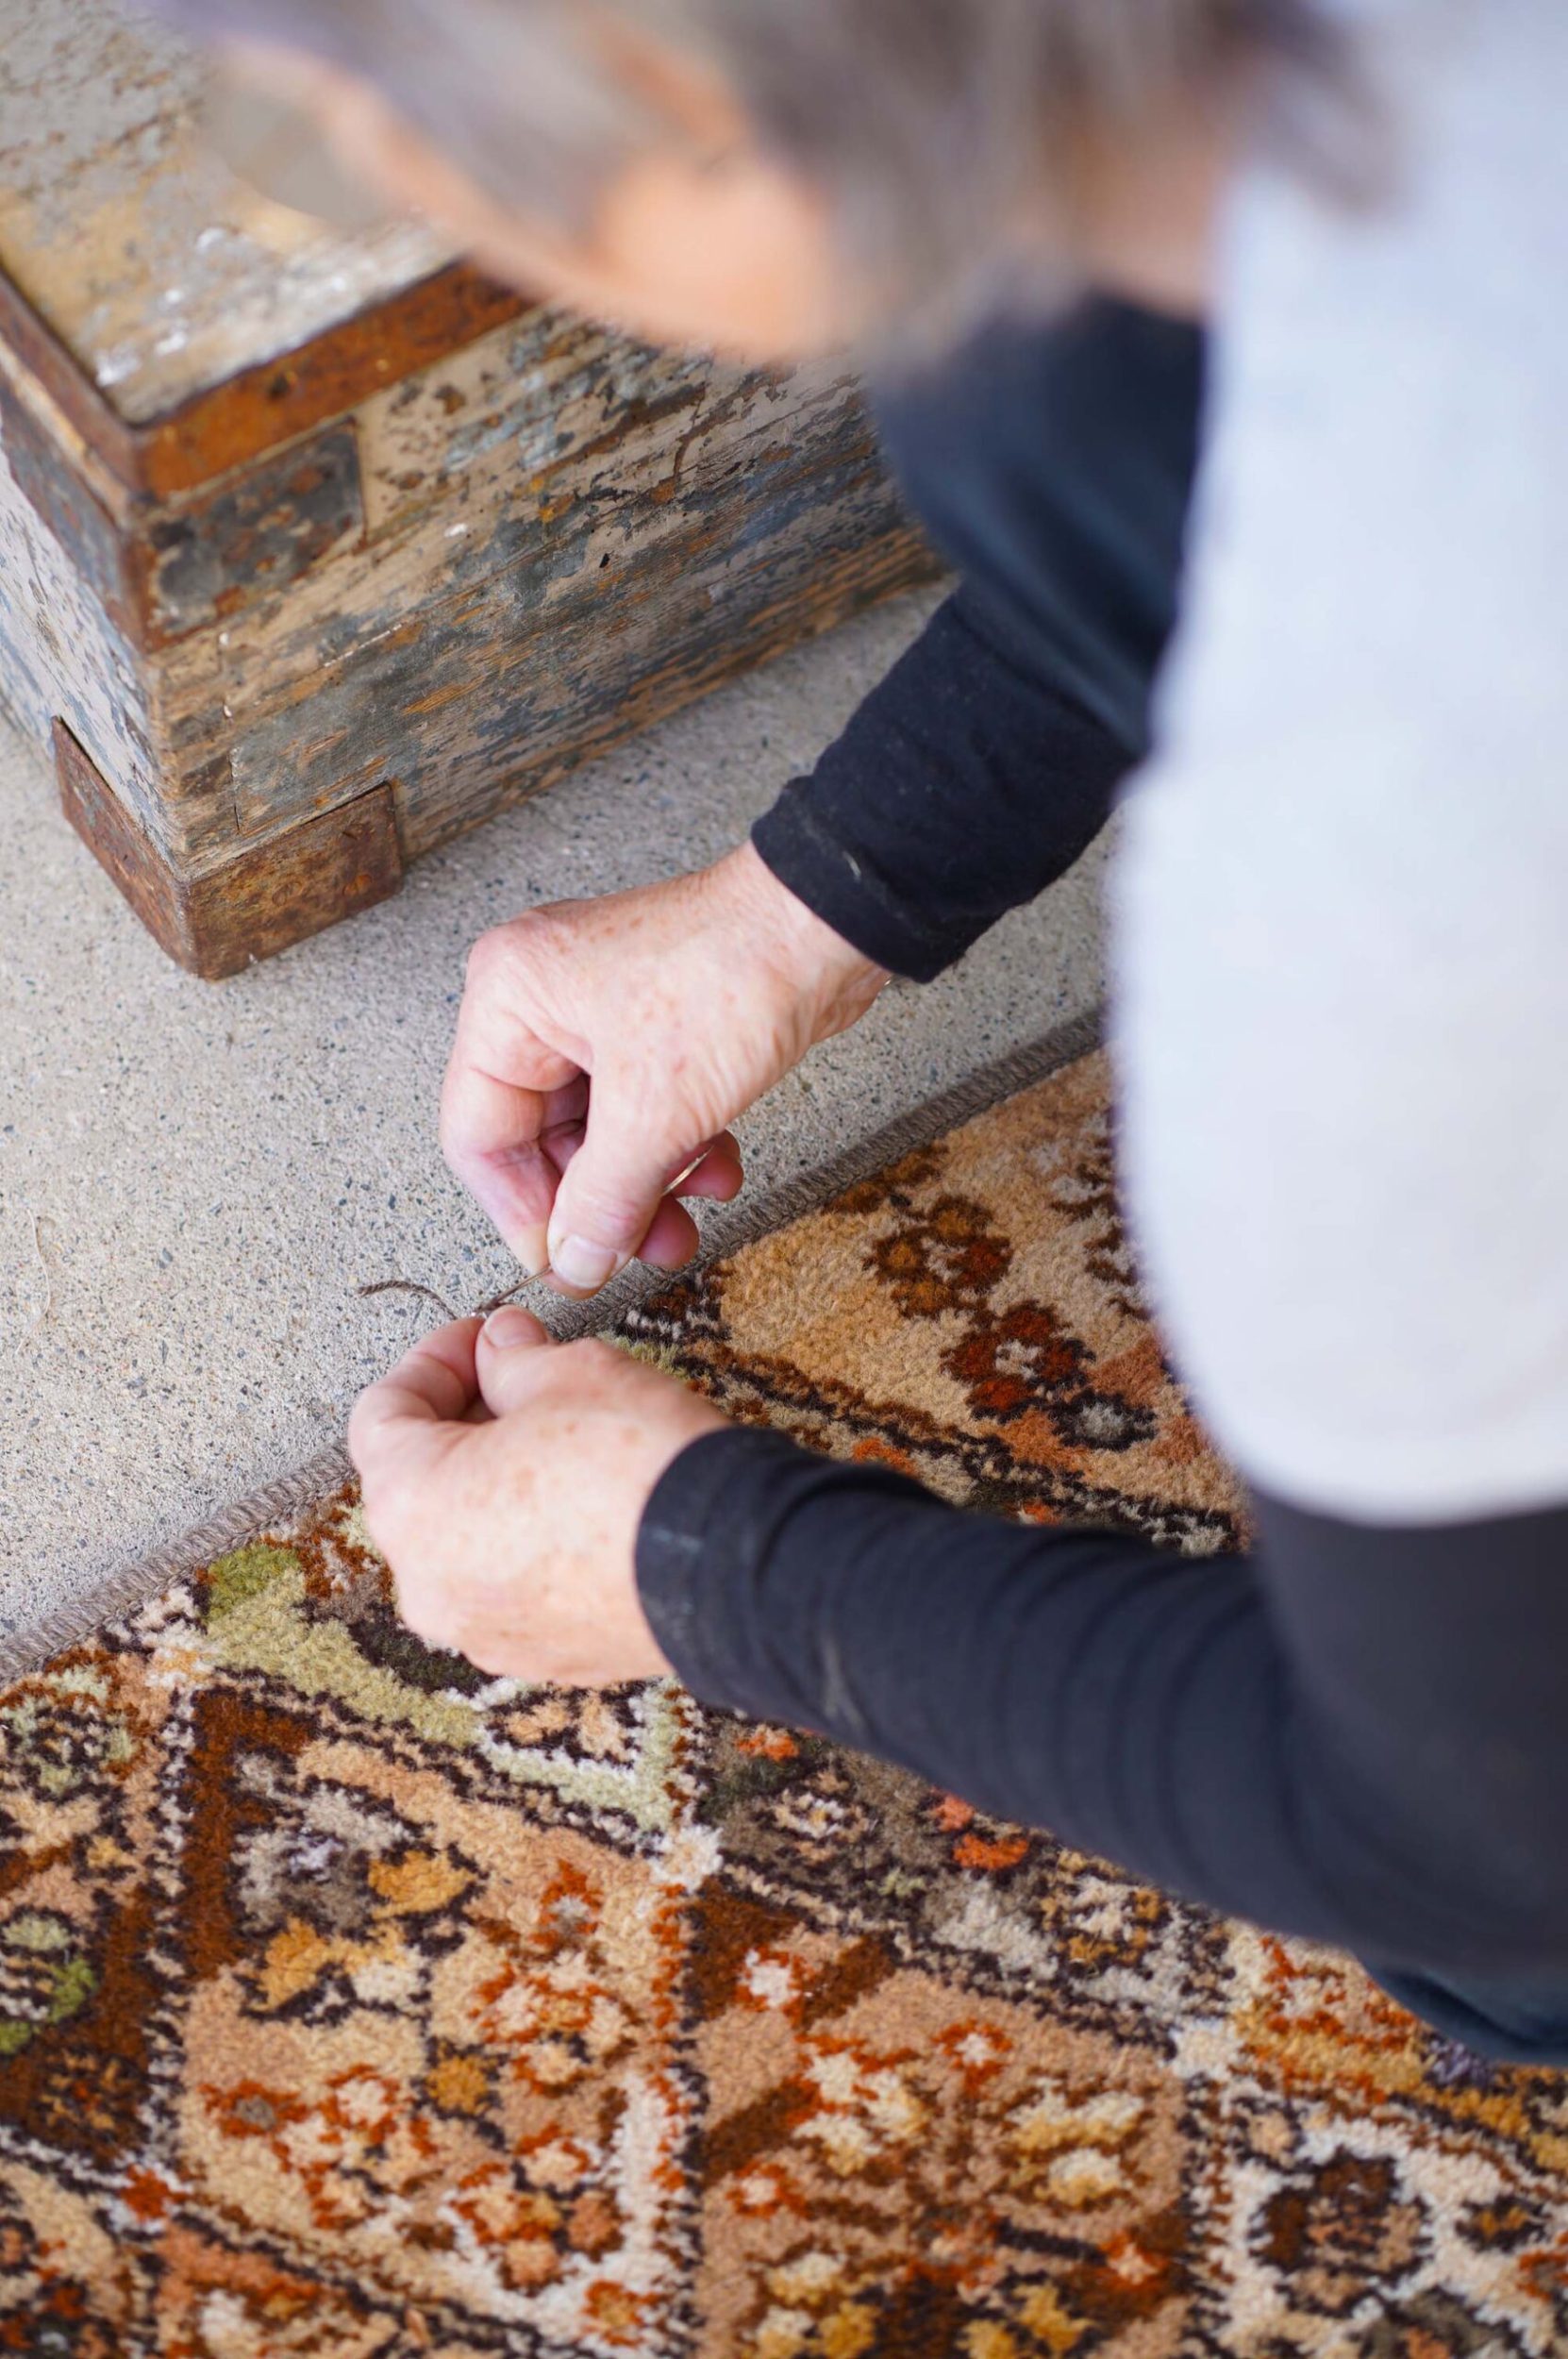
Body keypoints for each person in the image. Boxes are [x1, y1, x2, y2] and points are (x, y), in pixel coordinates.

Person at [161, 0, 1568, 2064]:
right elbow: (1245, 437)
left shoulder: (1373, 903)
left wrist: (702, 1569)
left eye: (381, 127)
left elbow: (1484, 1836)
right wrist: (808, 900)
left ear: (674, 108)